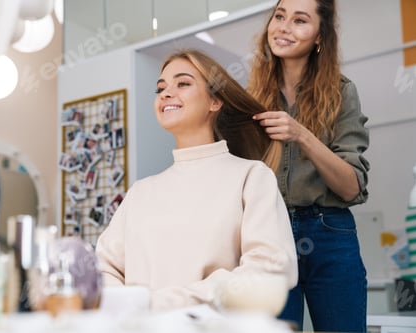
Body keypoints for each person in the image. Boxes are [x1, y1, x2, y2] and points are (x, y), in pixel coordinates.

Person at [95, 49, 298, 312]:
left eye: (183, 83)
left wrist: (155, 304)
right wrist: (131, 308)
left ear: (215, 101)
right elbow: (101, 269)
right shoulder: (140, 193)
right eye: (160, 88)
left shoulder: (251, 177)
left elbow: (269, 271)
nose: (166, 93)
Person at [247, 0, 370, 332]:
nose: (284, 27)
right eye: (280, 16)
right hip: (270, 236)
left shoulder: (342, 92)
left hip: (330, 234)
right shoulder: (250, 99)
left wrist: (301, 134)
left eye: (300, 20)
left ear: (319, 36)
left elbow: (351, 186)